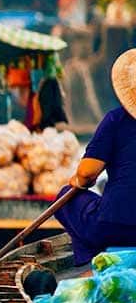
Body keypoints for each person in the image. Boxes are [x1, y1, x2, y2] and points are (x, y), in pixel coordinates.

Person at [55, 49, 136, 265]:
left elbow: (88, 173)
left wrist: (79, 181)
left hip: (115, 225)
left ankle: (89, 261)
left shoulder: (116, 119)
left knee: (66, 196)